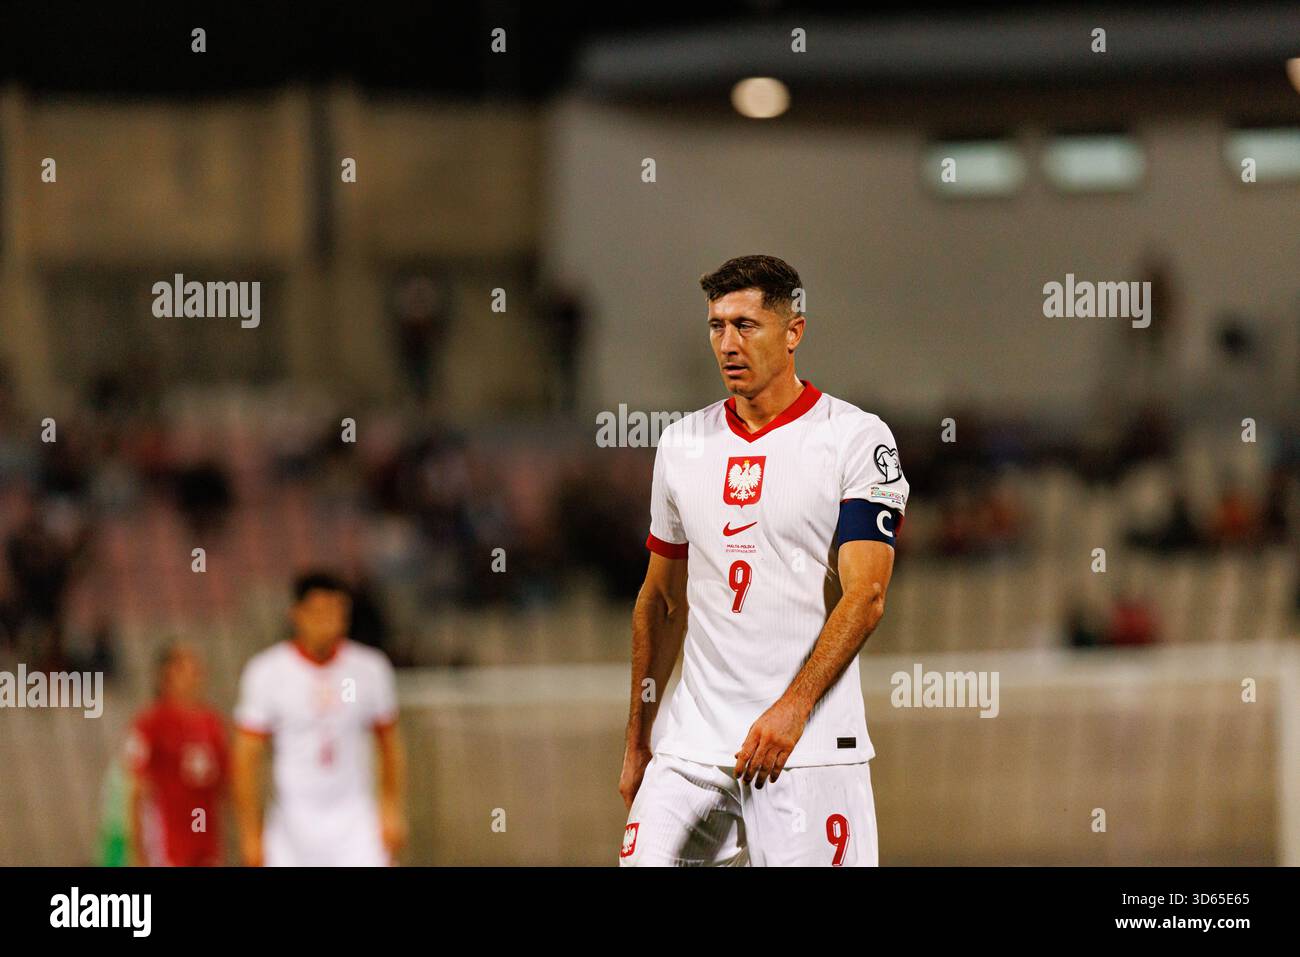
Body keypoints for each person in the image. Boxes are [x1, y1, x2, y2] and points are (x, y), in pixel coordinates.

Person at [618, 255, 908, 867]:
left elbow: (867, 595)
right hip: (692, 749)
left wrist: (794, 707)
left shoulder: (856, 439)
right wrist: (639, 740)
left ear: (793, 332)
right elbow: (662, 599)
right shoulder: (680, 445)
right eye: (717, 326)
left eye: (746, 325)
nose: (727, 343)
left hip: (810, 749)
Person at [232, 571, 407, 866]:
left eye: (337, 610)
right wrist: (250, 832)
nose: (329, 619)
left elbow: (389, 744)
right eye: (319, 611)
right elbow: (246, 759)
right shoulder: (267, 672)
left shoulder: (368, 669)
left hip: (356, 827)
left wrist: (391, 810)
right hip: (292, 831)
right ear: (297, 614)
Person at [125, 642, 228, 866]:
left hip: (204, 834)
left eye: (195, 666)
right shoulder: (151, 723)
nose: (195, 672)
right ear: (166, 674)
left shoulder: (212, 722)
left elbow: (225, 785)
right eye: (186, 666)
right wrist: (138, 852)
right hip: (168, 838)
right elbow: (136, 790)